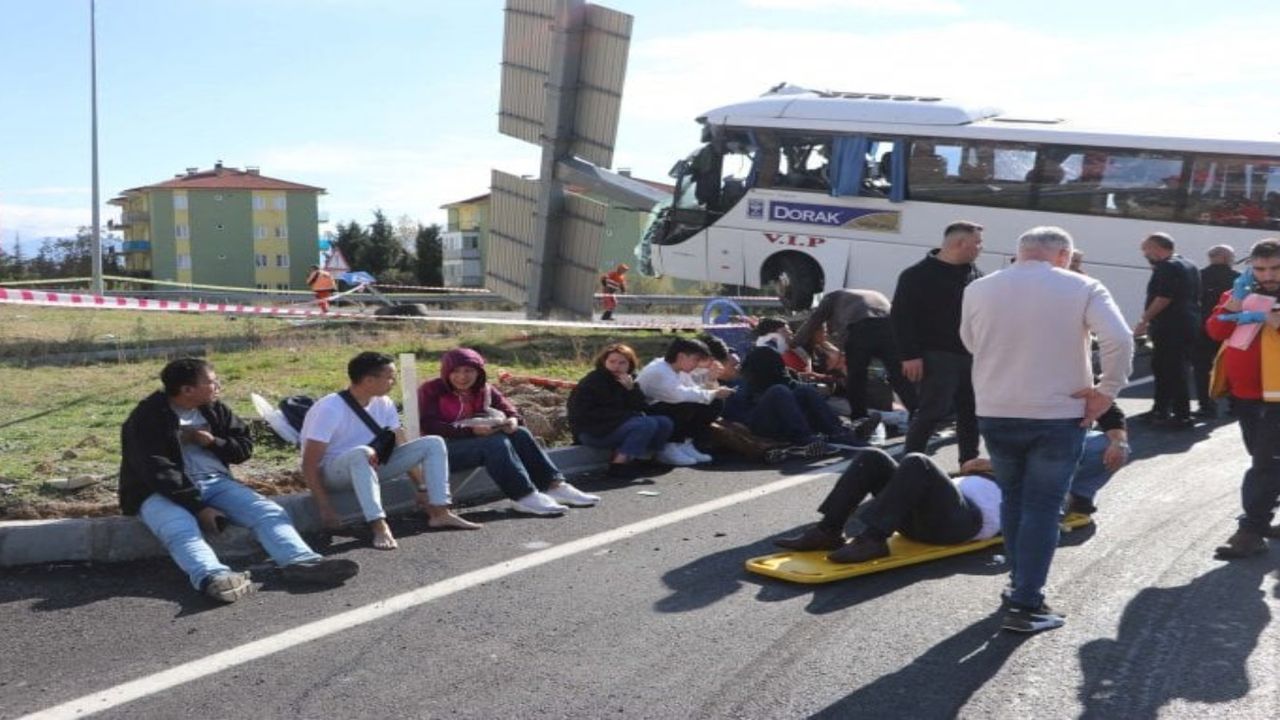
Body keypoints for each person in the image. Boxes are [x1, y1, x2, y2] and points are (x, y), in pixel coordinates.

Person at [961, 225, 1132, 633]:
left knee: (1014, 501)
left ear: (1019, 253)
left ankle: (1019, 585)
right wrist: (1106, 393)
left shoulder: (979, 288)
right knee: (1042, 506)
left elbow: (970, 342)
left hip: (995, 408)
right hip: (1058, 413)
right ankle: (1026, 602)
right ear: (1062, 255)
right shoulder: (1083, 286)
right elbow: (1121, 341)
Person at [119, 358, 358, 603]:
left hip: (215, 482)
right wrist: (198, 507)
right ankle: (214, 578)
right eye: (212, 382)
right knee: (180, 528)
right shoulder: (147, 417)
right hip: (157, 491)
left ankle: (301, 563)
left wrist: (212, 442)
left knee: (268, 511)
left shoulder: (214, 409)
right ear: (187, 389)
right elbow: (157, 470)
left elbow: (243, 449)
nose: (218, 385)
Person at [773, 415, 1131, 563]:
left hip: (962, 524)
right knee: (872, 456)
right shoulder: (1025, 452)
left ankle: (873, 539)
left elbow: (1049, 505)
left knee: (917, 461)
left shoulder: (1060, 484)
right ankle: (828, 530)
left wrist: (997, 466)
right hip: (936, 509)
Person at [301, 352, 480, 551]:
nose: (393, 382)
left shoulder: (383, 402)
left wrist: (421, 487)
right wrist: (325, 508)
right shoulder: (330, 408)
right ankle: (379, 526)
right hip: (333, 474)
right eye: (390, 377)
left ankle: (440, 512)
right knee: (363, 452)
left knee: (432, 443)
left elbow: (401, 446)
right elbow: (308, 464)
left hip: (370, 465)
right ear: (369, 380)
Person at [419, 348, 600, 516]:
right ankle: (523, 496)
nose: (462, 377)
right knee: (495, 444)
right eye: (456, 371)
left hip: (472, 440)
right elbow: (428, 424)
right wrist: (471, 430)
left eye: (469, 371)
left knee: (519, 433)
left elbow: (508, 408)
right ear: (446, 372)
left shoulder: (484, 388)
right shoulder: (432, 389)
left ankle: (554, 486)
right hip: (442, 450)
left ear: (479, 372)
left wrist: (513, 420)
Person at [1205, 238, 1280, 558]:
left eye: (1275, 268)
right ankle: (1261, 517)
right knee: (1264, 459)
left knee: (1265, 462)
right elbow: (1215, 331)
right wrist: (1235, 302)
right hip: (1245, 395)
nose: (1268, 275)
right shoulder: (1240, 294)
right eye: (1261, 268)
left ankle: (1250, 529)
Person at [892, 221, 984, 463]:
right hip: (935, 354)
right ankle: (910, 462)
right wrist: (909, 355)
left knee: (971, 412)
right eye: (977, 242)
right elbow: (902, 318)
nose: (980, 248)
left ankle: (969, 462)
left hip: (970, 354)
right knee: (932, 411)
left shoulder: (975, 274)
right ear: (959, 243)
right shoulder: (916, 275)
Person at [796, 288, 918, 434]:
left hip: (861, 329)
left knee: (857, 376)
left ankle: (860, 418)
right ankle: (918, 413)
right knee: (898, 375)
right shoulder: (872, 293)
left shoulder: (832, 297)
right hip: (891, 328)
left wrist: (793, 343)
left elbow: (814, 321)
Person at [721, 321, 851, 455]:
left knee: (804, 391)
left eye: (738, 364)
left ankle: (838, 433)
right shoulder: (717, 386)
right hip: (752, 423)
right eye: (733, 365)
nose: (738, 367)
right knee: (779, 390)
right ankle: (804, 440)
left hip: (764, 412)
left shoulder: (757, 362)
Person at [567, 343, 682, 477]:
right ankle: (618, 465)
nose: (616, 366)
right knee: (645, 424)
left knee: (664, 422)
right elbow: (583, 413)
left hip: (618, 426)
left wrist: (631, 390)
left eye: (622, 363)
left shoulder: (629, 380)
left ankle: (644, 459)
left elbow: (642, 408)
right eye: (612, 362)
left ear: (630, 365)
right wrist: (627, 416)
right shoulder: (593, 381)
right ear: (604, 362)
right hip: (593, 432)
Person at [1133, 233, 1201, 427]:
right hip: (1187, 324)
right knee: (1172, 368)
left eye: (1146, 249)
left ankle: (1178, 413)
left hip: (1170, 326)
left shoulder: (1167, 267)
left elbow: (1164, 297)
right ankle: (1163, 409)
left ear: (1156, 247)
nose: (1144, 253)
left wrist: (1144, 320)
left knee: (1168, 369)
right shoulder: (1188, 264)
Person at [636, 337, 734, 463]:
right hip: (646, 411)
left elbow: (694, 389)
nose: (697, 364)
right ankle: (668, 447)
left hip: (663, 407)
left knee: (713, 403)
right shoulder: (659, 370)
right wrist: (713, 393)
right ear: (681, 356)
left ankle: (685, 443)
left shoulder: (679, 369)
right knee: (684, 405)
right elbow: (678, 395)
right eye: (696, 359)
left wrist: (710, 384)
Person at [1194, 244, 1239, 418]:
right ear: (1227, 258)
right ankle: (1234, 404)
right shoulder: (1238, 279)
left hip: (1203, 327)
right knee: (1231, 366)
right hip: (1230, 328)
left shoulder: (1198, 276)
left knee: (1201, 368)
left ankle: (1206, 405)